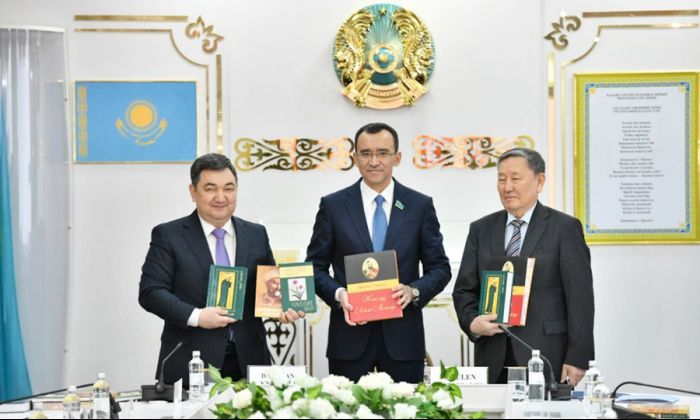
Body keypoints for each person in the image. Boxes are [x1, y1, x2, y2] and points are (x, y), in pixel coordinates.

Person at [138, 153, 302, 385]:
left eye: (229, 188)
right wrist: (197, 316)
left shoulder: (256, 234)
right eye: (210, 188)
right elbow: (151, 292)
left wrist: (280, 308)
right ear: (193, 192)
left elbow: (269, 289)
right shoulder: (169, 235)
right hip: (191, 361)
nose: (221, 197)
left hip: (250, 360)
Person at [306, 122, 452, 383]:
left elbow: (440, 269)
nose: (374, 161)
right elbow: (314, 268)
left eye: (383, 153)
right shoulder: (333, 206)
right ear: (355, 158)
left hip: (403, 340)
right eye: (366, 153)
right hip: (349, 339)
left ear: (397, 157)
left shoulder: (419, 206)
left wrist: (413, 291)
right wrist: (339, 295)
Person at [452, 148, 594, 385]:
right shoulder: (481, 229)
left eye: (515, 178)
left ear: (540, 181)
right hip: (493, 355)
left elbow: (580, 299)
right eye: (501, 179)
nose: (507, 187)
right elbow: (464, 291)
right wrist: (473, 323)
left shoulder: (564, 228)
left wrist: (578, 358)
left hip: (547, 355)